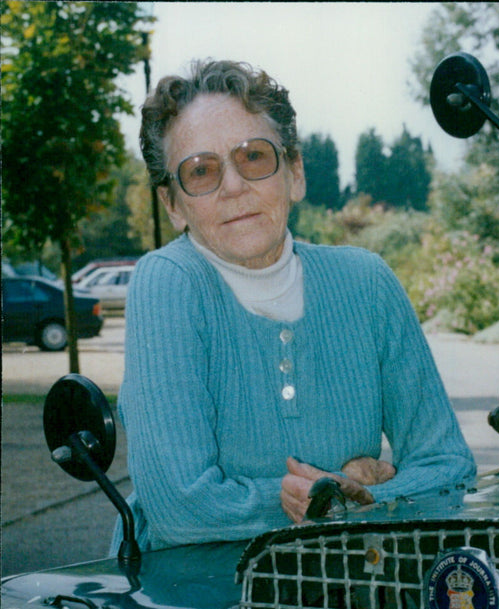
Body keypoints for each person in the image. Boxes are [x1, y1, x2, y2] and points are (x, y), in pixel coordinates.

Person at [114, 59, 476, 551]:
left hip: (347, 582)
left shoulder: (366, 282)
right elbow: (181, 511)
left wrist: (360, 496)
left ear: (296, 173)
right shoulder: (168, 284)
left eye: (254, 157)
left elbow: (450, 468)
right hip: (194, 588)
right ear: (172, 204)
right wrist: (335, 499)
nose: (233, 186)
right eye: (201, 171)